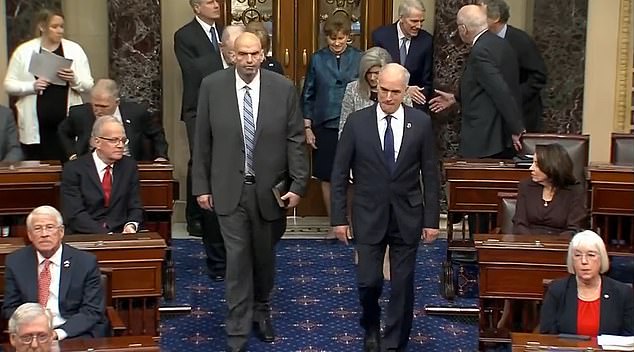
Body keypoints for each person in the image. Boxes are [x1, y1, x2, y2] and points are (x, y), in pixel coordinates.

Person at [192, 32, 309, 352]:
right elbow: (202, 140)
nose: (248, 60)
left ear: (263, 55)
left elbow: (295, 139)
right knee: (237, 260)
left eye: (254, 54)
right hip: (228, 190)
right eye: (242, 54)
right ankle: (237, 328)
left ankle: (261, 308)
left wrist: (299, 184)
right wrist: (200, 185)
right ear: (231, 55)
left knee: (263, 258)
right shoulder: (212, 86)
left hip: (269, 192)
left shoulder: (282, 88)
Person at [331, 63, 440, 352]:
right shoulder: (357, 122)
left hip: (407, 214)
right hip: (368, 214)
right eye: (383, 90)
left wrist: (432, 220)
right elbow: (340, 173)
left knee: (403, 286)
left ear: (405, 91)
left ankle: (393, 343)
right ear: (376, 86)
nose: (388, 97)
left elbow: (430, 174)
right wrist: (338, 218)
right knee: (368, 282)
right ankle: (369, 324)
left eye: (395, 92)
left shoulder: (420, 123)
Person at [429, 4, 524, 159]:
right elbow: (483, 85)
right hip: (499, 137)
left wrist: (516, 128)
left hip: (485, 141)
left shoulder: (480, 51)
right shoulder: (501, 43)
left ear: (463, 29)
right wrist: (456, 97)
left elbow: (500, 90)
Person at [3, 206, 107, 340]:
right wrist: (35, 331)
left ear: (61, 232)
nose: (44, 233)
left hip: (74, 333)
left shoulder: (85, 262)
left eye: (50, 227)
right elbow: (10, 307)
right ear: (29, 235)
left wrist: (57, 333)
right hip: (31, 334)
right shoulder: (16, 261)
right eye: (37, 228)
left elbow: (92, 310)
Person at [4, 8, 93, 161]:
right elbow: (8, 85)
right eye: (54, 26)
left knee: (69, 166)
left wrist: (74, 79)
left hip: (65, 125)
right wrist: (32, 86)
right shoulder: (24, 51)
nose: (59, 31)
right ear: (42, 27)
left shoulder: (74, 50)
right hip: (37, 127)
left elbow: (89, 85)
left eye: (62, 26)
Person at [302, 12, 361, 219]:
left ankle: (351, 223)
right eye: (332, 38)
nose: (336, 42)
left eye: (341, 37)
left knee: (352, 176)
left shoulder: (359, 58)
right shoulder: (317, 59)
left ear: (348, 36)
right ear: (326, 37)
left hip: (353, 124)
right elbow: (308, 94)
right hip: (324, 125)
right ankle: (334, 224)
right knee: (326, 175)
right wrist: (307, 128)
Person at [174, 0, 224, 237]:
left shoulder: (225, 31)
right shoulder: (184, 35)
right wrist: (226, 60)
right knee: (199, 158)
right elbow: (193, 70)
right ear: (196, 7)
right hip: (198, 106)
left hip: (224, 106)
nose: (216, 5)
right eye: (210, 1)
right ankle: (194, 216)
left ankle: (218, 212)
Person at [540, 230, 634, 336]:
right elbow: (546, 334)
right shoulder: (557, 290)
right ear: (571, 260)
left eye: (591, 255)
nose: (584, 261)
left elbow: (629, 337)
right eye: (578, 255)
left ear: (601, 258)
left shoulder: (623, 293)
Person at [60, 116, 143, 234]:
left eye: (123, 140)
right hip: (84, 234)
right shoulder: (74, 169)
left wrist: (131, 225)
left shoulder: (129, 167)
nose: (120, 145)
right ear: (97, 142)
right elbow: (74, 213)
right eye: (114, 140)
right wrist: (105, 234)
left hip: (120, 233)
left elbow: (135, 205)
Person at [57, 79, 169, 162]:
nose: (97, 110)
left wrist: (161, 156)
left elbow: (157, 134)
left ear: (117, 102)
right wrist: (72, 154)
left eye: (103, 106)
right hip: (90, 169)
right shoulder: (80, 114)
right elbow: (63, 131)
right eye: (95, 105)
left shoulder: (137, 112)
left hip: (129, 166)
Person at [480, 0, 548, 132]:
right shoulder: (482, 41)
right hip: (494, 117)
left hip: (523, 114)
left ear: (495, 18)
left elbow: (538, 76)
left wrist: (514, 97)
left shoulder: (521, 41)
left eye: (481, 15)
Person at [513, 143, 588, 235]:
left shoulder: (574, 191)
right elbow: (519, 224)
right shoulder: (526, 186)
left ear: (551, 167)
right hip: (528, 243)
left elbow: (574, 229)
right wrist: (534, 243)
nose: (531, 168)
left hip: (560, 245)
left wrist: (551, 244)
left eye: (536, 164)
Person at [372, 0, 432, 110]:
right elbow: (375, 74)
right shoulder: (381, 36)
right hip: (384, 101)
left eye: (421, 21)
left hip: (414, 105)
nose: (418, 26)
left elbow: (427, 80)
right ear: (401, 18)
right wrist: (405, 89)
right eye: (414, 21)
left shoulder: (426, 41)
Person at [339, 46, 413, 136]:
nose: (372, 78)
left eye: (377, 73)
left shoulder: (399, 89)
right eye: (369, 73)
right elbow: (344, 126)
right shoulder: (352, 89)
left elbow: (409, 124)